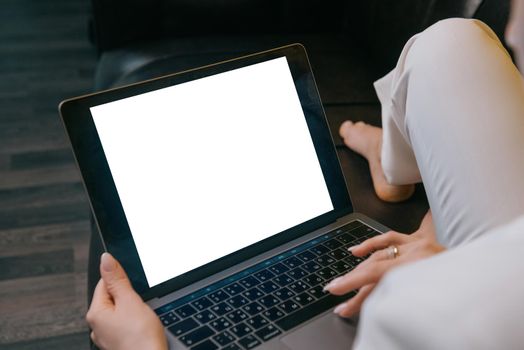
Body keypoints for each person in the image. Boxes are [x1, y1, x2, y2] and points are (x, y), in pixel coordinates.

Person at [86, 2, 524, 348]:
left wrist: (142, 346)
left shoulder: (424, 316)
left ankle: (398, 163)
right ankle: (395, 162)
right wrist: (441, 234)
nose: (513, 30)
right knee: (452, 42)